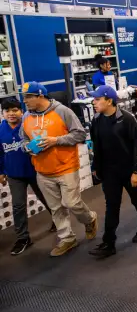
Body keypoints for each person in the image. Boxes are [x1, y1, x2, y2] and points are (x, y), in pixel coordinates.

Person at [20, 82, 98, 257]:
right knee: (55, 208)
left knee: (72, 203)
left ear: (40, 96)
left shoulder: (63, 111)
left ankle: (89, 218)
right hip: (42, 171)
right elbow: (23, 140)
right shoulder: (26, 117)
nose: (24, 101)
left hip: (66, 167)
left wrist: (56, 140)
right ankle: (67, 239)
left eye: (28, 97)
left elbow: (80, 134)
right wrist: (28, 148)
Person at [88, 85, 137, 258]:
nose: (94, 102)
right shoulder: (97, 120)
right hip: (109, 173)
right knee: (111, 206)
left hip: (129, 171)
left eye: (97, 99)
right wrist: (95, 167)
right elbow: (97, 146)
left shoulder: (127, 119)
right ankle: (109, 242)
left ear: (109, 101)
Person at [0, 98, 54, 255]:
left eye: (15, 110)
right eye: (7, 110)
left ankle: (59, 223)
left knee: (47, 198)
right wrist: (1, 172)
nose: (11, 113)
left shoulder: (29, 124)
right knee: (18, 206)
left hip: (34, 170)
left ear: (21, 111)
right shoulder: (1, 129)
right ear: (3, 113)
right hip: (14, 174)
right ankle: (23, 238)